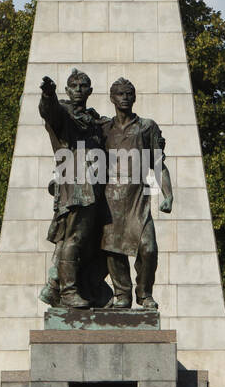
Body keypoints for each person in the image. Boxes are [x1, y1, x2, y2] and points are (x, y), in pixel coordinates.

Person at [99, 77, 172, 309]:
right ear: (112, 98)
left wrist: (168, 194)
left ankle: (144, 293)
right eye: (120, 94)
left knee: (148, 248)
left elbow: (158, 163)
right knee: (113, 249)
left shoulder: (146, 127)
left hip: (138, 198)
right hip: (110, 199)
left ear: (135, 97)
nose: (125, 97)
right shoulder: (103, 129)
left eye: (129, 93)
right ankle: (122, 294)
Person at [39, 69, 108, 308]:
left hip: (95, 188)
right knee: (74, 238)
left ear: (90, 91)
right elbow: (51, 113)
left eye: (83, 86)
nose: (78, 90)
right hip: (77, 185)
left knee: (95, 241)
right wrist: (48, 96)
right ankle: (67, 292)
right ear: (67, 90)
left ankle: (87, 287)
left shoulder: (93, 118)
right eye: (74, 86)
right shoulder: (65, 114)